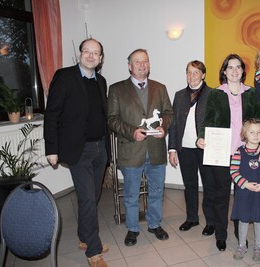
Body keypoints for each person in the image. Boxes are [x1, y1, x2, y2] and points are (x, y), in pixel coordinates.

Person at [44, 38, 110, 267]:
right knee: (87, 200)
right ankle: (93, 251)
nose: (91, 56)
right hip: (78, 150)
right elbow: (52, 113)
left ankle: (84, 237)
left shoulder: (101, 81)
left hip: (100, 148)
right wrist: (51, 148)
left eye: (96, 53)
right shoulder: (64, 76)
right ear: (79, 54)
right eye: (87, 51)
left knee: (93, 197)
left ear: (101, 58)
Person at [196, 54, 260, 251]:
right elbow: (208, 121)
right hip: (221, 154)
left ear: (243, 71)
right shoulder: (216, 94)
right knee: (221, 196)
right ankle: (221, 234)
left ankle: (239, 231)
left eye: (238, 67)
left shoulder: (251, 93)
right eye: (230, 67)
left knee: (242, 195)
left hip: (245, 154)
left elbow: (257, 120)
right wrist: (201, 137)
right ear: (224, 71)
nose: (235, 71)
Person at [107, 48, 173, 247]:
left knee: (156, 191)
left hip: (156, 150)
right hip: (131, 149)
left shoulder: (160, 88)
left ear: (149, 64)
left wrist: (164, 126)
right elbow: (111, 119)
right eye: (137, 61)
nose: (142, 65)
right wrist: (131, 131)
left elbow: (169, 113)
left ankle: (154, 224)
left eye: (145, 61)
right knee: (131, 194)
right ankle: (133, 228)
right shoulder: (117, 89)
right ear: (129, 66)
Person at [168, 60, 215, 235]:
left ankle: (211, 221)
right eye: (189, 72)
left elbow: (217, 122)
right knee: (190, 185)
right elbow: (173, 125)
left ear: (203, 74)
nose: (192, 76)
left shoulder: (212, 94)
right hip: (184, 148)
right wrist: (172, 149)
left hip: (206, 148)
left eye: (196, 72)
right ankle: (192, 218)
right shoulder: (179, 95)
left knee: (209, 186)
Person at [230, 118, 260, 261]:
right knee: (243, 220)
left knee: (258, 220)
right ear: (245, 134)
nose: (256, 135)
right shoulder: (239, 152)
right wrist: (245, 183)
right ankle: (242, 245)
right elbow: (234, 171)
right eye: (252, 132)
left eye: (259, 132)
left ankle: (258, 247)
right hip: (244, 191)